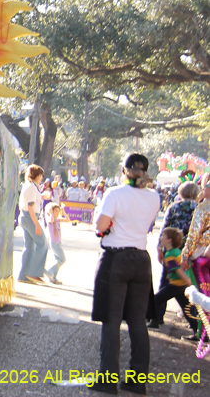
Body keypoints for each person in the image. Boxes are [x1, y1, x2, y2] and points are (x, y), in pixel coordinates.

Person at [90, 153, 160, 394]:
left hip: (116, 258)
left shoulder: (115, 193)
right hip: (141, 259)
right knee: (138, 321)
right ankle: (137, 379)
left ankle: (108, 379)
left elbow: (100, 226)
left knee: (111, 320)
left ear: (124, 170)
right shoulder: (154, 197)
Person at [149, 227, 199, 339]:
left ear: (169, 240)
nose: (161, 238)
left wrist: (189, 283)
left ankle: (154, 320)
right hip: (180, 285)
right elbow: (174, 268)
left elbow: (178, 270)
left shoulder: (170, 254)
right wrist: (170, 275)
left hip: (176, 285)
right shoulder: (175, 251)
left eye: (163, 236)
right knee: (187, 309)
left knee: (155, 300)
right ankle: (197, 330)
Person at [17, 164, 48, 284]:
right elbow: (30, 207)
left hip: (26, 216)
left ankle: (23, 275)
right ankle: (33, 272)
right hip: (30, 217)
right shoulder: (31, 187)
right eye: (41, 175)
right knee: (42, 243)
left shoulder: (30, 186)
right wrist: (36, 224)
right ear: (38, 175)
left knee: (29, 247)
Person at [183, 173, 210, 299]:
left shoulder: (204, 208)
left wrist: (185, 255)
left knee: (204, 298)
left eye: (204, 187)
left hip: (203, 256)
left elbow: (194, 235)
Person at [44, 202, 67, 285]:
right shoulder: (51, 219)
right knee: (62, 259)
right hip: (54, 243)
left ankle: (53, 277)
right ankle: (50, 271)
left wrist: (63, 211)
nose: (57, 213)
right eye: (56, 211)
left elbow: (68, 219)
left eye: (58, 211)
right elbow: (51, 219)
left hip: (58, 242)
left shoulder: (57, 219)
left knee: (57, 260)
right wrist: (50, 212)